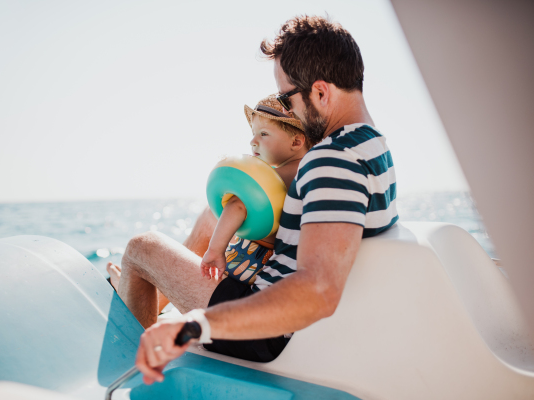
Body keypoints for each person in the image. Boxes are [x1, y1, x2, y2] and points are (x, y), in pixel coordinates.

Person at [116, 15, 398, 385]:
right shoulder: (372, 144)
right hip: (282, 321)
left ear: (321, 92)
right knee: (208, 218)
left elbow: (318, 291)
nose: (287, 109)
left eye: (286, 97)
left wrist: (195, 326)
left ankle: (125, 375)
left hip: (265, 330)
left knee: (143, 247)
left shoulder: (332, 160)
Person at [199, 93, 309, 285]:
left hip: (248, 266)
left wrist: (215, 251)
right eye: (253, 134)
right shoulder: (307, 171)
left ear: (296, 142)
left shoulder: (279, 177)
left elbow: (237, 205)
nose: (253, 141)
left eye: (264, 134)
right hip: (265, 266)